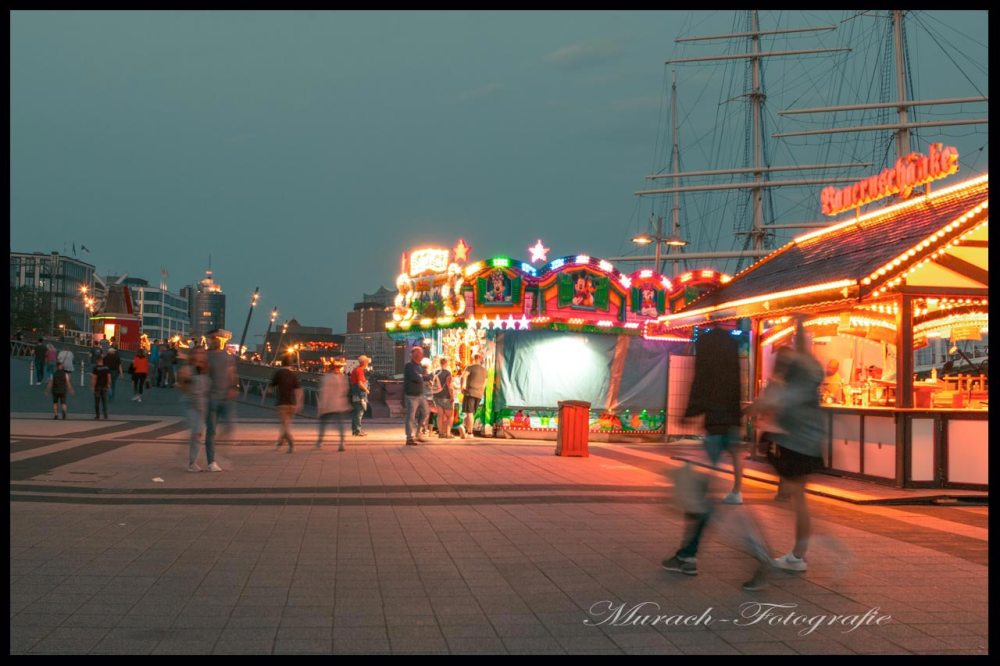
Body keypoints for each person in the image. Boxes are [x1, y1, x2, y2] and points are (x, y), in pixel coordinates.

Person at [742, 317, 826, 590]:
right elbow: (803, 349)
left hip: (795, 446)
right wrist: (799, 323)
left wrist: (744, 412)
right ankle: (798, 553)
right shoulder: (811, 371)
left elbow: (767, 403)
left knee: (798, 499)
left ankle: (798, 554)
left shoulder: (791, 388)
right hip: (809, 445)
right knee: (798, 498)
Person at [662, 326, 744, 578]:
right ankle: (688, 552)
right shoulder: (732, 351)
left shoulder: (709, 346)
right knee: (702, 493)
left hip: (715, 430)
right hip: (730, 425)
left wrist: (689, 413)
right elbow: (734, 390)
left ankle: (688, 554)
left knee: (699, 496)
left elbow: (701, 383)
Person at [203, 331, 237, 472]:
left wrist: (232, 386)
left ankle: (213, 451)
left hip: (219, 397)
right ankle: (212, 460)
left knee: (221, 428)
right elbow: (231, 374)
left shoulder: (222, 356)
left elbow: (231, 372)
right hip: (215, 397)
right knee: (216, 429)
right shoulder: (211, 357)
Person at [177, 346, 210, 472]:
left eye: (202, 353)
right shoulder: (187, 369)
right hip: (191, 404)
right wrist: (186, 382)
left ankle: (189, 457)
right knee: (196, 433)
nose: (200, 355)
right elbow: (182, 386)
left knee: (198, 434)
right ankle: (192, 463)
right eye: (197, 353)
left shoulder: (206, 369)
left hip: (202, 404)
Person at [317, 357, 351, 451]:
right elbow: (345, 391)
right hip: (339, 405)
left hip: (328, 405)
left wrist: (322, 406)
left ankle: (320, 441)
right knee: (340, 425)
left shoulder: (326, 378)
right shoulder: (342, 378)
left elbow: (324, 393)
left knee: (323, 424)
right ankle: (342, 442)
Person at [270, 364, 303, 453]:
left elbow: (270, 387)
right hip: (292, 404)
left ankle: (291, 445)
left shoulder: (278, 373)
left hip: (282, 404)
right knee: (286, 425)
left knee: (285, 426)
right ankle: (280, 442)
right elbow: (299, 390)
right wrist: (299, 403)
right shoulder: (293, 374)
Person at [403, 346, 430, 446]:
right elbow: (416, 377)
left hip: (420, 394)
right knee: (411, 416)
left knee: (426, 412)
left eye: (421, 353)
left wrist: (423, 376)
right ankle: (409, 437)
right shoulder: (409, 366)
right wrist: (422, 376)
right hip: (411, 395)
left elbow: (425, 377)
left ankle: (418, 433)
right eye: (419, 353)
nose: (421, 355)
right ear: (414, 354)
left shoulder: (420, 366)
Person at [460, 354, 487, 439]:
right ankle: (465, 427)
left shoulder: (470, 367)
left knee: (469, 413)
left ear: (473, 359)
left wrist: (462, 386)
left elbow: (463, 377)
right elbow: (484, 384)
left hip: (470, 392)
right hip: (479, 394)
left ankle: (470, 432)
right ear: (481, 359)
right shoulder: (485, 370)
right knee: (471, 413)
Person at [432, 356, 456, 439]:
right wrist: (452, 396)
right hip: (445, 396)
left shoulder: (436, 372)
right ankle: (448, 433)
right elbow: (449, 386)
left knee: (440, 416)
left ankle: (441, 433)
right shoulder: (447, 373)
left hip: (436, 396)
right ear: (446, 363)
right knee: (450, 416)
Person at [349, 355, 372, 436]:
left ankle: (355, 430)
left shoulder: (356, 370)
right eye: (366, 362)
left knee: (357, 412)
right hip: (359, 395)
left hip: (355, 394)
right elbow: (360, 383)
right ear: (364, 362)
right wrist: (366, 390)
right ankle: (357, 431)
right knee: (359, 412)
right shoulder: (359, 370)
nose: (367, 363)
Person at [91, 354, 112, 420]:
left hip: (98, 386)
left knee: (97, 401)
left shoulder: (96, 368)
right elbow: (109, 377)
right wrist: (109, 384)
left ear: (97, 360)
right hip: (104, 386)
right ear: (102, 360)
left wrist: (92, 386)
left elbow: (94, 378)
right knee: (104, 401)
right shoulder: (106, 367)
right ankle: (105, 415)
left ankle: (97, 415)